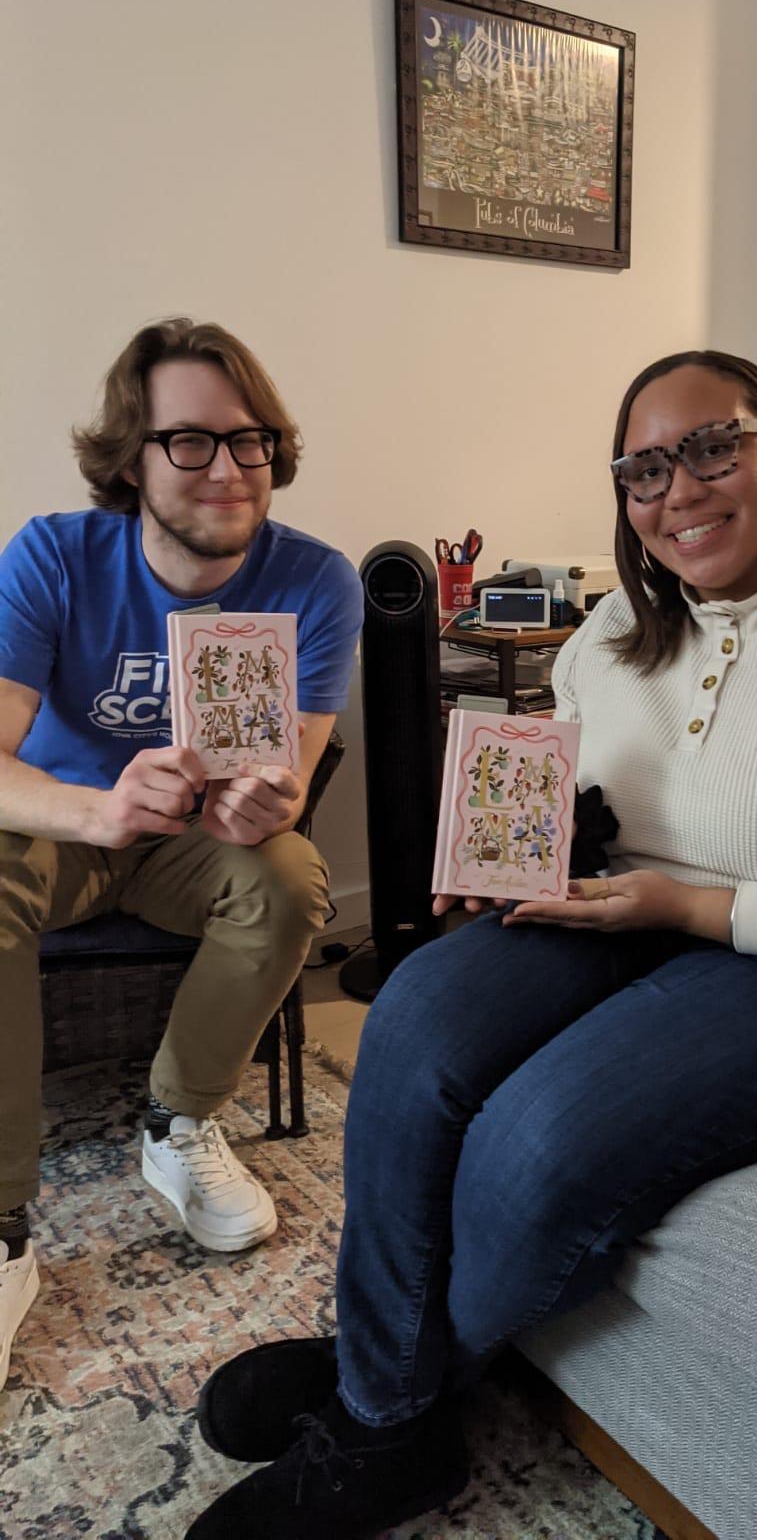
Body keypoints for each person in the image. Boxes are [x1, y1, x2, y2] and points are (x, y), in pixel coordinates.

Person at [186, 349, 757, 1539]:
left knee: (542, 1133)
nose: (680, 489)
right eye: (644, 469)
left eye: (715, 447)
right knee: (416, 1013)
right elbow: (565, 792)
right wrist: (507, 859)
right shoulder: (614, 624)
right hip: (618, 914)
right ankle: (387, 1379)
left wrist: (686, 907)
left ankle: (390, 1397)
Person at [0, 319, 362, 1393]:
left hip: (190, 845)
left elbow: (282, 782)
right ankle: (3, 1222)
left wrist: (261, 806)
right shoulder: (55, 554)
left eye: (247, 441)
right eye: (189, 442)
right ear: (131, 458)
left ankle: (182, 1122)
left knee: (290, 876)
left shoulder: (315, 582)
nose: (227, 469)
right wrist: (96, 809)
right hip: (66, 827)